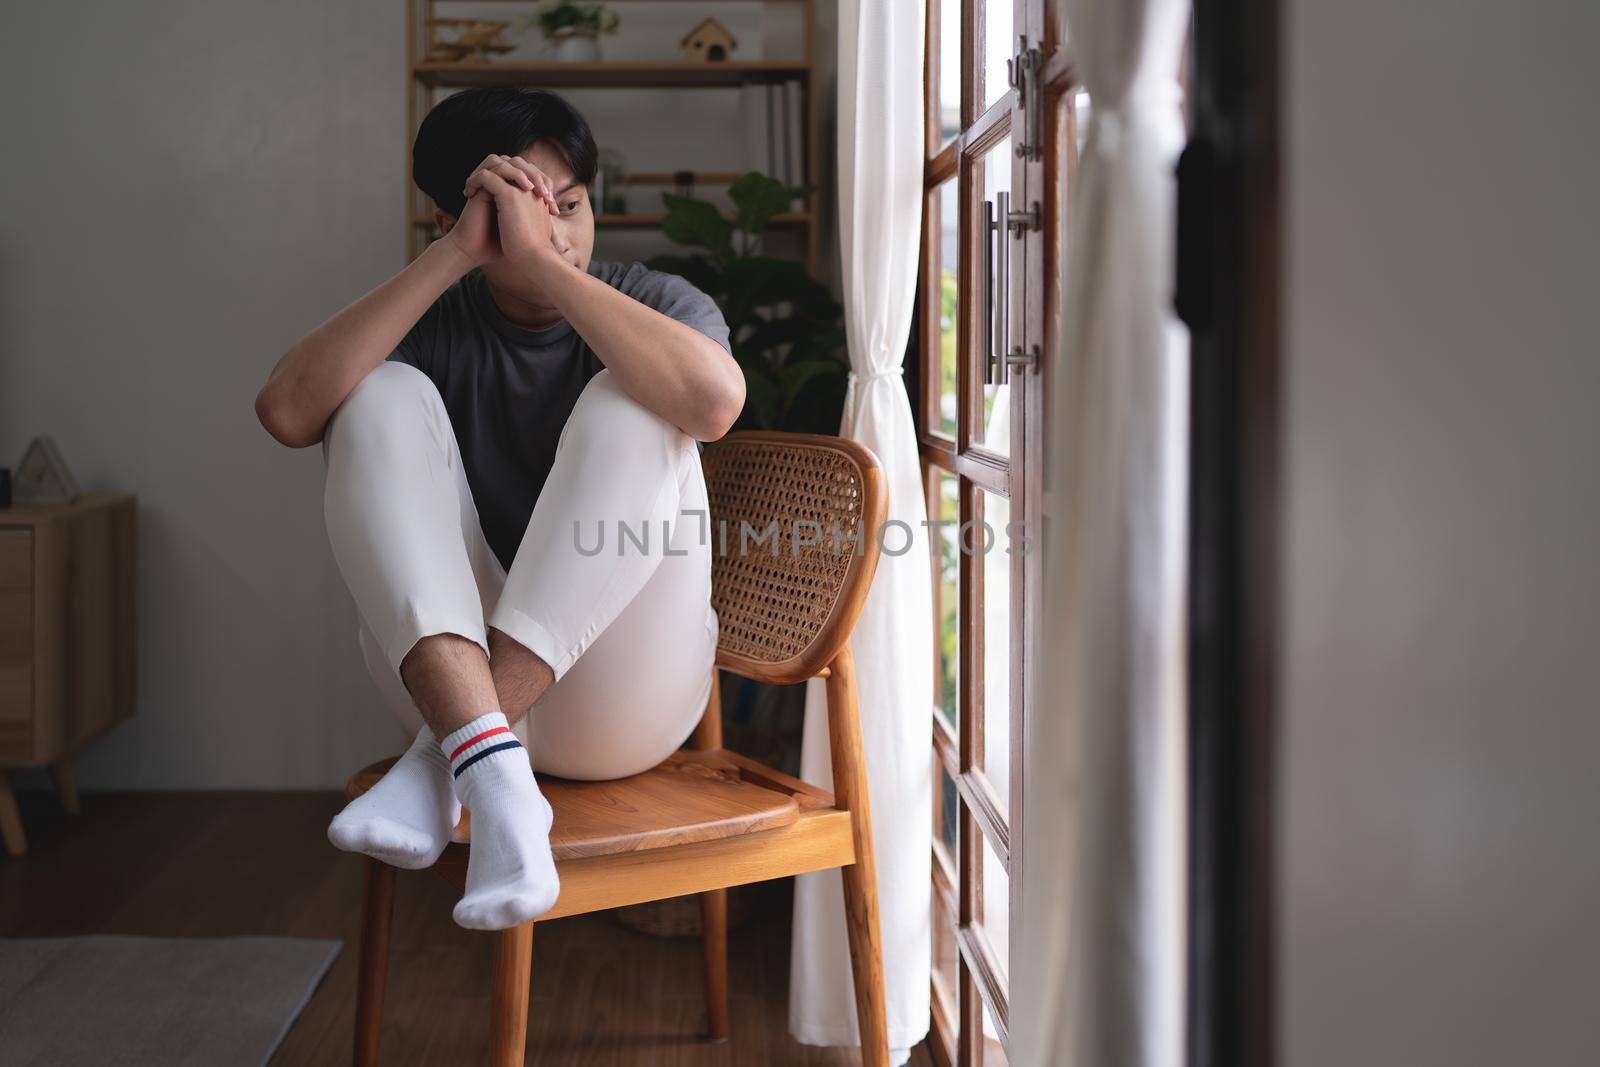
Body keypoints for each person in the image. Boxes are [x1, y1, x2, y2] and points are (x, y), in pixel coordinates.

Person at [253, 87, 744, 931]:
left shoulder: (657, 301)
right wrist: (452, 258)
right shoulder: (439, 319)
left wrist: (547, 262)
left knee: (635, 403)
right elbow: (288, 413)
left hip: (625, 702)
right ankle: (491, 766)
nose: (554, 230)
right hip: (450, 677)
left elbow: (712, 406)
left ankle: (450, 761)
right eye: (519, 214)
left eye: (572, 208)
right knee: (373, 396)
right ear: (458, 220)